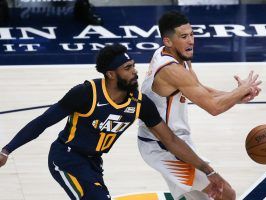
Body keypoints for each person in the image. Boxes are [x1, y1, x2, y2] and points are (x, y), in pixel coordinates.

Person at [0, 44, 226, 199]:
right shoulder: (86, 93)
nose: (135, 72)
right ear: (111, 74)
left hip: (93, 163)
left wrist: (208, 171)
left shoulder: (139, 103)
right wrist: (7, 150)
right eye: (127, 69)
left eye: (134, 66)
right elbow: (42, 122)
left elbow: (171, 141)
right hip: (66, 158)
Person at [137, 11, 261, 200]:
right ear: (168, 41)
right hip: (163, 145)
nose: (191, 41)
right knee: (225, 194)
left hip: (173, 141)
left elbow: (199, 89)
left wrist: (237, 95)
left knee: (201, 198)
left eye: (192, 34)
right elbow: (213, 108)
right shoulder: (171, 70)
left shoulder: (175, 57)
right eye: (184, 36)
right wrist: (238, 92)